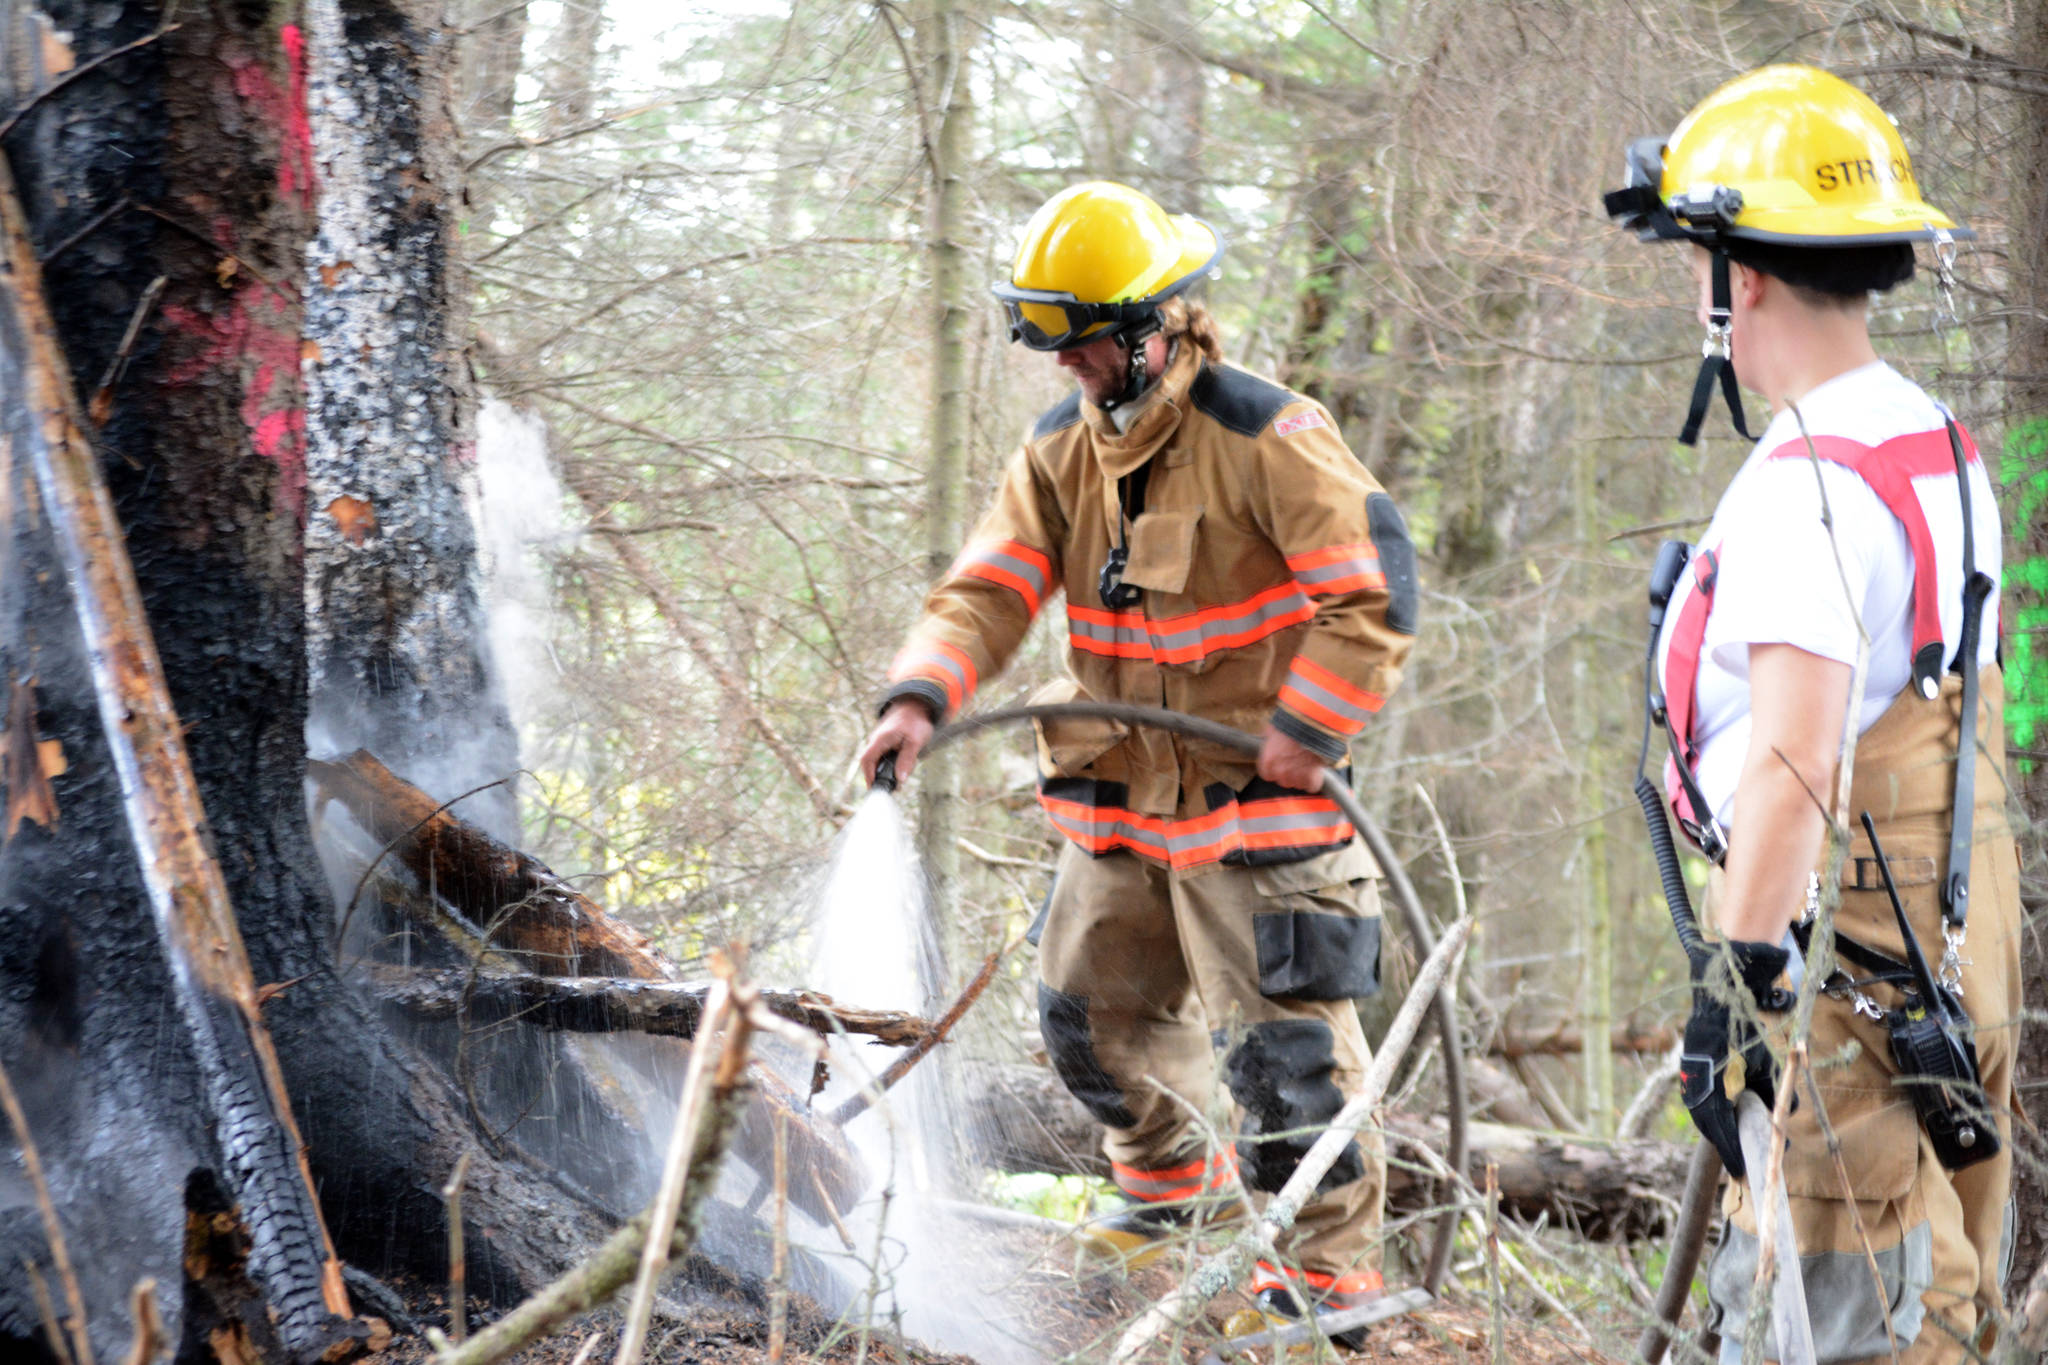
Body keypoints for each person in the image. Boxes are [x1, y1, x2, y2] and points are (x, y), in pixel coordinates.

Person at [857, 181, 1419, 1334]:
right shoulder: (1059, 450)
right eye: (1050, 344)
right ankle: (1173, 1197)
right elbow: (987, 590)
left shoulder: (1267, 436)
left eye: (1084, 345)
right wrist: (920, 695)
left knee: (1288, 1066)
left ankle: (1327, 1285)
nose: (1065, 367)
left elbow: (1369, 595)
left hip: (1254, 808)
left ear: (1156, 326)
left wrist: (1307, 729)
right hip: (1118, 801)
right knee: (1084, 1018)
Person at [1606, 66, 2021, 1362]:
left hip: (1844, 972)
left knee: (1848, 1317)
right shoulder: (1934, 441)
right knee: (1936, 1301)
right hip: (1959, 952)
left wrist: (1733, 990)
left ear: (1748, 277)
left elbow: (1794, 760)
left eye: (1699, 261)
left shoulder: (1808, 486)